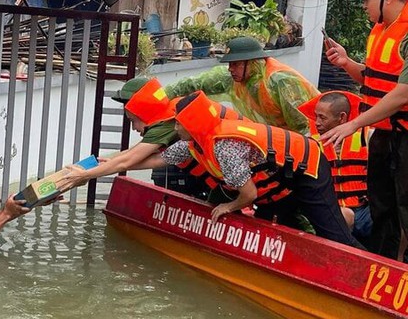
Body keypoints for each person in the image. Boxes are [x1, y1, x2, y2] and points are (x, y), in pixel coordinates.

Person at [161, 91, 364, 249]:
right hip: (283, 181)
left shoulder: (224, 147)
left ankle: (367, 271)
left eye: (178, 124)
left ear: (192, 124)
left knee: (334, 235)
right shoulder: (196, 142)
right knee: (269, 228)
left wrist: (228, 207)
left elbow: (249, 194)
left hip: (309, 171)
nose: (175, 129)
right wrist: (127, 163)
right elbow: (159, 158)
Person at [321, 0, 408, 259]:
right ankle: (382, 266)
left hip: (405, 137)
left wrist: (353, 124)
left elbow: (402, 93)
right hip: (384, 137)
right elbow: (373, 80)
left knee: (405, 207)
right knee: (383, 209)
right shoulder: (380, 31)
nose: (363, 6)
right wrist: (347, 63)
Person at [60, 77, 223, 196]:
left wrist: (85, 175)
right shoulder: (168, 121)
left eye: (133, 121)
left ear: (141, 108)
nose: (133, 128)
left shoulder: (167, 122)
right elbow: (141, 157)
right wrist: (101, 165)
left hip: (233, 178)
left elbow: (127, 160)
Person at [165, 36, 319, 134]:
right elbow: (194, 83)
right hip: (273, 138)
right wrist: (162, 97)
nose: (230, 69)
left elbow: (304, 126)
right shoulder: (233, 78)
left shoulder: (281, 81)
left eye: (236, 64)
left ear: (251, 62)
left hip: (308, 139)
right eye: (229, 64)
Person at [298, 91, 372, 243]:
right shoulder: (310, 144)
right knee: (345, 216)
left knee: (398, 217)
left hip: (366, 210)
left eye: (322, 118)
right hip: (334, 213)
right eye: (316, 116)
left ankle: (397, 261)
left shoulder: (367, 136)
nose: (317, 122)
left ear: (342, 118)